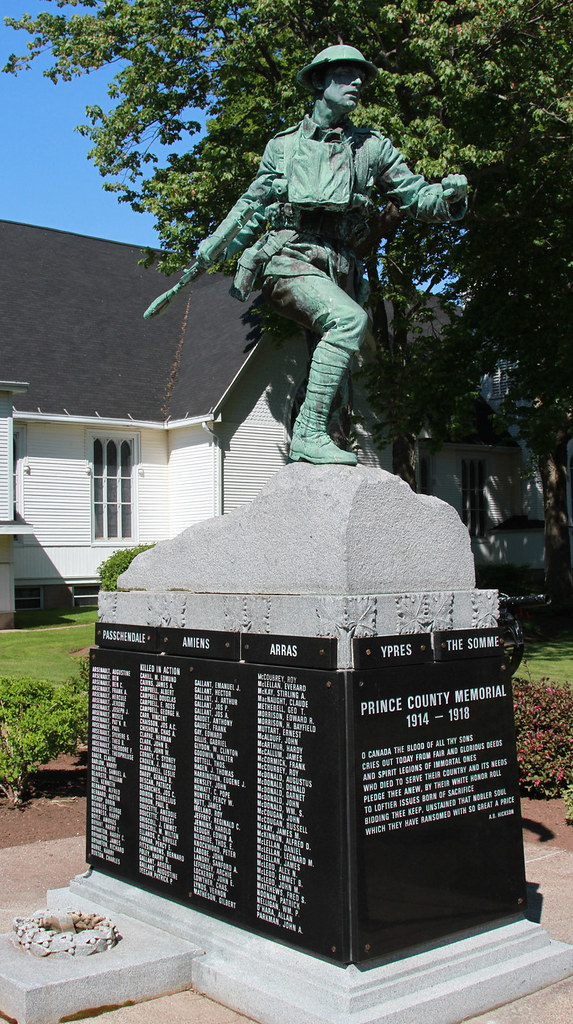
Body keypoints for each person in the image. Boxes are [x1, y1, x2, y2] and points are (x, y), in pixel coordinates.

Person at [194, 44, 468, 466]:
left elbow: (416, 196)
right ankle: (306, 435)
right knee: (349, 321)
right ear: (321, 81)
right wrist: (216, 246)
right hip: (289, 256)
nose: (357, 82)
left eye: (360, 76)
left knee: (336, 374)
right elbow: (253, 205)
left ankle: (318, 455)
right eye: (345, 74)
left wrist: (448, 197)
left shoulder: (371, 147)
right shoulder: (283, 147)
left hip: (341, 267)